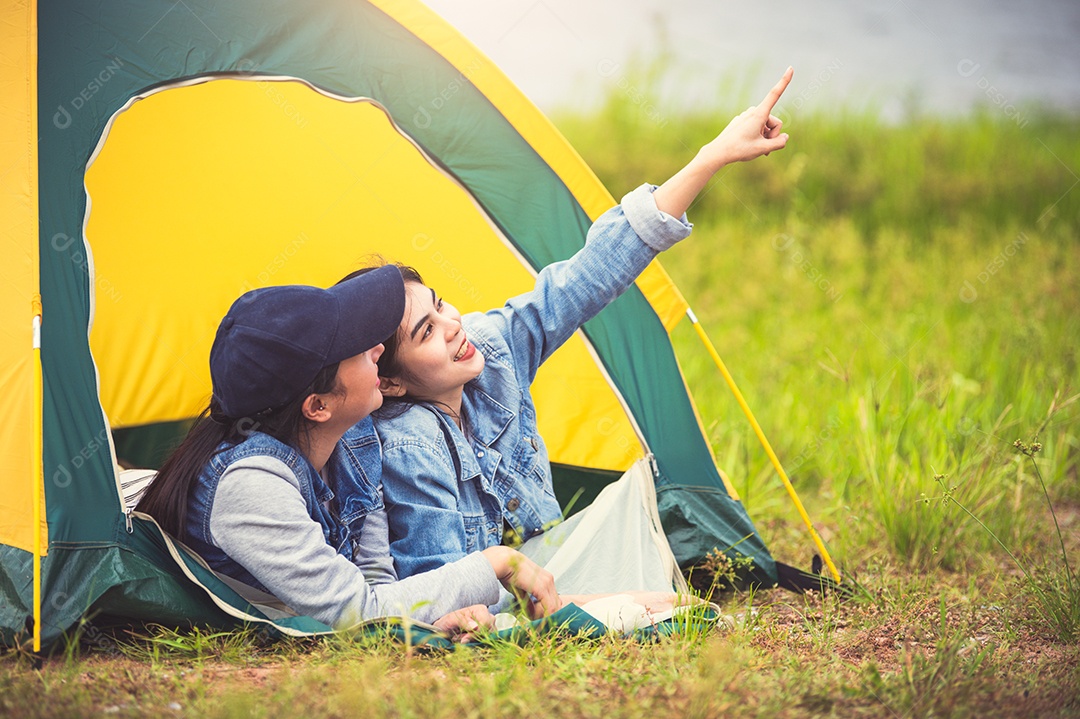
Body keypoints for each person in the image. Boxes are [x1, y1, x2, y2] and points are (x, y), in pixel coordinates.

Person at [362, 69, 796, 580]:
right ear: (388, 381)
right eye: (426, 331)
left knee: (640, 524)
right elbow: (440, 590)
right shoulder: (409, 443)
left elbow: (587, 277)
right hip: (505, 592)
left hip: (547, 569)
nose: (453, 325)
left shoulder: (490, 351)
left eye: (440, 306)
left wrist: (712, 156)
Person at [135, 266, 559, 633]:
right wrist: (496, 562)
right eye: (357, 349)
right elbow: (357, 613)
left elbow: (377, 588)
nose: (378, 348)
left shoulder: (353, 444)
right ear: (318, 406)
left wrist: (429, 620)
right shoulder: (249, 486)